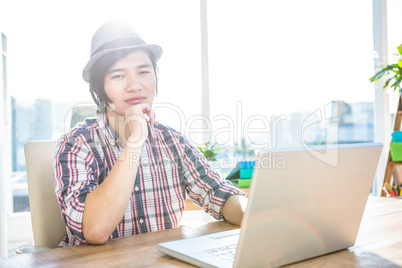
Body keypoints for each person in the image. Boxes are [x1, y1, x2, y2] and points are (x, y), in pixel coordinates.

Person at [54, 20, 247, 247]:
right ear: (99, 87)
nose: (135, 85)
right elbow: (95, 230)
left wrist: (251, 212)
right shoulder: (75, 144)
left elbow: (220, 195)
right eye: (118, 75)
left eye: (144, 72)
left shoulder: (173, 141)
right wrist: (135, 141)